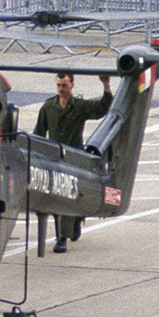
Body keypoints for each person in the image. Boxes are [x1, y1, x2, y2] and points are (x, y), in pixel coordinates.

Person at [33, 71, 112, 252]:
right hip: (53, 158)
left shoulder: (80, 107)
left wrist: (106, 86)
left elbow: (101, 108)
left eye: (65, 85)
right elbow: (39, 133)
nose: (61, 89)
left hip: (74, 159)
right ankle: (74, 220)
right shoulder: (48, 107)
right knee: (54, 197)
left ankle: (62, 237)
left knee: (66, 197)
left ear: (72, 86)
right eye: (59, 85)